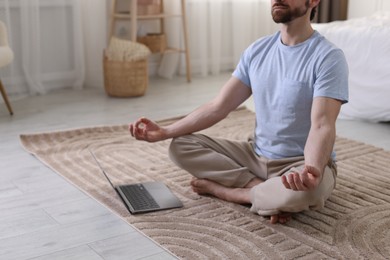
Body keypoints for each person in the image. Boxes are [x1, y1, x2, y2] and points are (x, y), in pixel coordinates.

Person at [129, 0, 349, 224]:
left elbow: (322, 125)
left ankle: (228, 192)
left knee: (308, 191)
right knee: (179, 146)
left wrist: (312, 170)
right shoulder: (257, 51)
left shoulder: (328, 57)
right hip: (255, 155)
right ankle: (261, 191)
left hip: (300, 163)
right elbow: (219, 107)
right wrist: (165, 131)